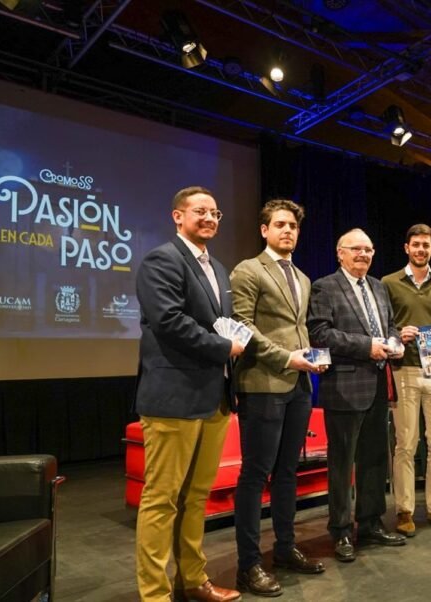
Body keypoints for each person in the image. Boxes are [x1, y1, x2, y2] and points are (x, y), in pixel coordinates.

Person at [134, 186, 242, 602]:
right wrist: (223, 348)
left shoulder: (218, 267)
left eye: (215, 213)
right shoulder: (162, 259)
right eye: (201, 211)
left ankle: (193, 580)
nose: (210, 218)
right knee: (161, 501)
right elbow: (168, 320)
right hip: (173, 398)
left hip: (214, 398)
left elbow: (223, 324)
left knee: (196, 497)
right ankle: (155, 594)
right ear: (177, 216)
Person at [229, 199, 326, 598]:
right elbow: (243, 326)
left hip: (299, 387)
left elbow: (297, 329)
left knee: (288, 474)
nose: (288, 231)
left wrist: (312, 359)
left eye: (293, 226)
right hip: (262, 384)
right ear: (264, 230)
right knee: (255, 476)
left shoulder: (302, 277)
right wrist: (287, 357)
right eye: (280, 224)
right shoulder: (248, 270)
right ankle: (248, 565)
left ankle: (284, 549)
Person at [307, 228, 407, 563]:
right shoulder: (325, 286)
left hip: (379, 386)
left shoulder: (378, 287)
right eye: (356, 249)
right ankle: (339, 531)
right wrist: (369, 347)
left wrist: (394, 342)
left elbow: (389, 325)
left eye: (368, 249)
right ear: (340, 253)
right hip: (345, 389)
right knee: (341, 465)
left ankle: (370, 523)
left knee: (375, 460)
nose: (363, 255)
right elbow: (320, 333)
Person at [382, 224, 431, 535]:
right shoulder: (389, 283)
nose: (420, 249)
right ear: (406, 248)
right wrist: (396, 335)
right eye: (415, 244)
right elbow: (383, 324)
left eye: (425, 245)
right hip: (404, 370)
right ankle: (404, 510)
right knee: (405, 444)